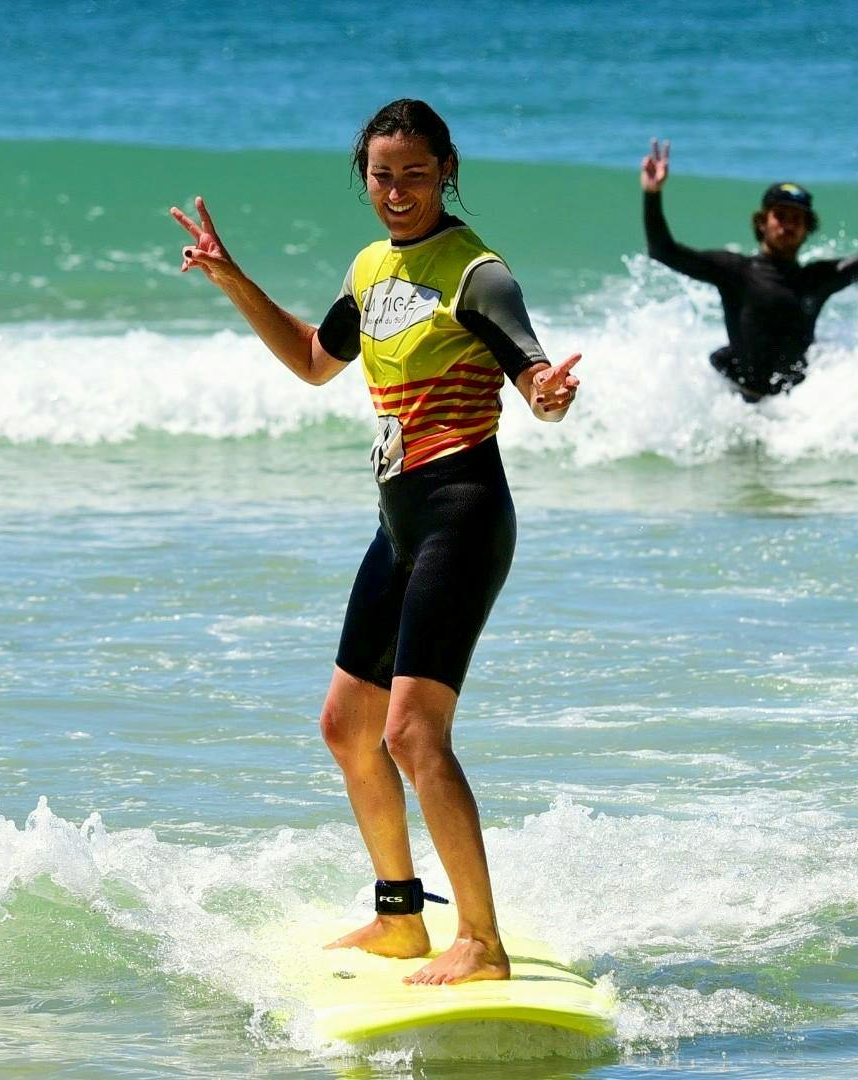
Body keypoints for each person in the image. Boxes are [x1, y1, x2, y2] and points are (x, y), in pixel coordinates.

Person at [170, 98, 580, 986]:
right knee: (346, 727)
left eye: (416, 174)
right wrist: (233, 277)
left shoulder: (478, 272)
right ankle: (401, 920)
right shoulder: (368, 268)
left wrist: (547, 392)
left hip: (463, 511)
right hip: (398, 524)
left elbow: (529, 364)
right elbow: (317, 360)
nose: (397, 191)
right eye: (382, 174)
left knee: (412, 735)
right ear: (364, 177)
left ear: (446, 173)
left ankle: (481, 940)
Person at [640, 139, 858, 401]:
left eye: (798, 219)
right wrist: (652, 194)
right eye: (781, 215)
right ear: (762, 222)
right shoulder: (735, 271)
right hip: (736, 402)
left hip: (795, 413)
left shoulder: (817, 279)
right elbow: (663, 251)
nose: (789, 225)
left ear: (808, 229)